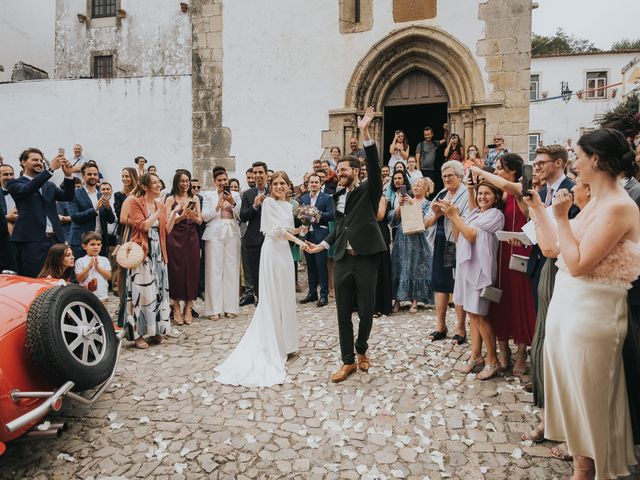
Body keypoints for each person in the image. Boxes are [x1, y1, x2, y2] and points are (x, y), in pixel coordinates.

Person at [528, 129, 640, 480]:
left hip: (594, 317)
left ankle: (592, 472)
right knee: (573, 398)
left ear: (595, 159)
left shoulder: (621, 206)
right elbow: (551, 248)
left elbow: (578, 264)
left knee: (591, 401)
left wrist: (561, 218)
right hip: (567, 311)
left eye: (577, 156)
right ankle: (582, 468)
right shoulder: (594, 204)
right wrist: (537, 208)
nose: (574, 163)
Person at [306, 106, 386, 383]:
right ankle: (347, 361)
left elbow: (375, 169)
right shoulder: (336, 195)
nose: (337, 173)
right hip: (342, 258)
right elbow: (339, 227)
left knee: (365, 312)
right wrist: (323, 246)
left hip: (366, 257)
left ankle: (362, 347)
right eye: (337, 169)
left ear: (355, 170)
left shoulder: (369, 189)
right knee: (342, 314)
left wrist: (365, 131)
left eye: (342, 169)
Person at [215, 171, 308, 387]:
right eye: (275, 183)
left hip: (284, 253)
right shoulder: (268, 204)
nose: (279, 187)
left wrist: (302, 228)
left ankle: (286, 343)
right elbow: (275, 231)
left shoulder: (288, 206)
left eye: (282, 183)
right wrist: (299, 241)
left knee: (286, 295)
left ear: (288, 186)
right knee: (273, 297)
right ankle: (273, 342)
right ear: (270, 186)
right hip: (272, 252)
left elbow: (286, 229)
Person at [470, 154, 537, 376]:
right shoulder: (500, 194)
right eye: (495, 168)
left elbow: (512, 189)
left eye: (500, 168)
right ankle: (502, 349)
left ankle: (520, 352)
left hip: (518, 250)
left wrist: (481, 171)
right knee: (498, 301)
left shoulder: (520, 189)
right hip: (497, 253)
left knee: (518, 301)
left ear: (513, 171)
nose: (496, 172)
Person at [444, 183, 504, 379]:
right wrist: (452, 216)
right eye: (480, 193)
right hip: (466, 268)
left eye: (487, 194)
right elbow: (457, 234)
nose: (482, 197)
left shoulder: (495, 215)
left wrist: (455, 215)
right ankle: (476, 356)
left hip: (481, 270)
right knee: (471, 314)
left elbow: (470, 236)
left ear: (496, 197)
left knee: (481, 315)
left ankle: (492, 361)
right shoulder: (474, 213)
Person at [124, 173, 181, 349]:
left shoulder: (159, 204)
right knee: (141, 294)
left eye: (159, 182)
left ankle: (156, 331)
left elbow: (166, 230)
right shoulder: (135, 202)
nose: (158, 185)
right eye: (154, 182)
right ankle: (137, 334)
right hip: (143, 253)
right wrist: (159, 210)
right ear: (144, 186)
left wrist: (173, 215)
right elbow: (143, 226)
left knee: (158, 292)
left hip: (159, 252)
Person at [6, 148, 75, 277]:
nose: (39, 163)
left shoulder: (49, 185)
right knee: (34, 276)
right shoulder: (14, 183)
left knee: (57, 275)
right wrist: (50, 170)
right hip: (32, 241)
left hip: (54, 239)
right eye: (34, 160)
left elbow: (68, 196)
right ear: (23, 162)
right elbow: (27, 189)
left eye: (41, 160)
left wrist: (68, 176)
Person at [526, 145, 578, 307]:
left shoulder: (573, 191)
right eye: (535, 164)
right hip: (538, 265)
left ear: (558, 163)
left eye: (541, 163)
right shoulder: (540, 194)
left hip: (560, 267)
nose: (537, 168)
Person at [424, 161, 470, 343]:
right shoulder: (441, 194)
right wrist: (435, 215)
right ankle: (440, 325)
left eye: (450, 175)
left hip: (457, 243)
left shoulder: (467, 194)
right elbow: (426, 222)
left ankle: (460, 327)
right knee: (439, 283)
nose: (446, 179)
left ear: (460, 176)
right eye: (444, 176)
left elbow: (468, 219)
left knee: (456, 283)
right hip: (440, 241)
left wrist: (452, 213)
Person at [389, 177, 435, 314]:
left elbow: (426, 220)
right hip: (402, 238)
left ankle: (415, 301)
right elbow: (392, 218)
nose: (415, 188)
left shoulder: (428, 203)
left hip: (418, 239)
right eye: (414, 185)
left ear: (426, 188)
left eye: (419, 185)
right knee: (399, 266)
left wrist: (413, 205)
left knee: (416, 268)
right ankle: (397, 299)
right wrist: (400, 206)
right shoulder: (405, 200)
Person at [202, 167, 241, 319]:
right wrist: (217, 205)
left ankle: (231, 307)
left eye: (225, 180)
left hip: (232, 231)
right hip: (215, 233)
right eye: (219, 180)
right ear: (214, 182)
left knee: (231, 269)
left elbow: (240, 216)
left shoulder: (236, 195)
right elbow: (205, 216)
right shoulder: (208, 195)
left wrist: (233, 203)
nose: (222, 182)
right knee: (214, 269)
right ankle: (214, 309)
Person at [165, 170, 202, 325]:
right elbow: (167, 222)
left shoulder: (195, 199)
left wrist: (192, 216)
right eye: (182, 181)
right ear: (176, 182)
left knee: (192, 271)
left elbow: (200, 220)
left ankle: (188, 307)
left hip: (192, 237)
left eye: (187, 181)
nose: (185, 184)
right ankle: (176, 307)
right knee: (176, 271)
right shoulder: (170, 199)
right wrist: (180, 216)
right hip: (175, 237)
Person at [298, 173, 334, 307]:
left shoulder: (326, 198)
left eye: (315, 182)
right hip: (307, 235)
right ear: (308, 184)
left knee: (321, 266)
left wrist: (316, 214)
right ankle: (312, 293)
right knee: (310, 266)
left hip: (320, 236)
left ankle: (323, 295)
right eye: (311, 182)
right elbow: (300, 216)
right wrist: (303, 216)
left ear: (320, 184)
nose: (313, 184)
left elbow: (331, 215)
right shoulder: (304, 198)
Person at [68, 162, 115, 259]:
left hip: (100, 243)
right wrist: (94, 209)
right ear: (83, 176)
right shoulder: (74, 194)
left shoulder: (100, 195)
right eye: (89, 174)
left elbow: (111, 220)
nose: (93, 176)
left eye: (95, 174)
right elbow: (75, 217)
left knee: (99, 273)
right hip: (81, 243)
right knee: (80, 273)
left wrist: (107, 208)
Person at [239, 161, 269, 306]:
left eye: (260, 173)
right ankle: (259, 299)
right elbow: (243, 216)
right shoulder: (247, 194)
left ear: (266, 174)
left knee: (270, 272)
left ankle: (271, 298)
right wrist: (255, 206)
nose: (257, 176)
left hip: (271, 238)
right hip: (253, 239)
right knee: (256, 273)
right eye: (255, 173)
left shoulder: (274, 191)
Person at [74, 232, 111, 303]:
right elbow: (79, 279)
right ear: (85, 246)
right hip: (86, 297)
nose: (96, 247)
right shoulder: (80, 261)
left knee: (102, 313)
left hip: (102, 296)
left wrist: (98, 267)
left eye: (98, 244)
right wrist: (88, 267)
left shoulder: (104, 260)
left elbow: (109, 276)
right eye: (92, 244)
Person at [415, 124, 449, 192]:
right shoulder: (420, 144)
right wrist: (418, 171)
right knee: (421, 187)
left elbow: (445, 139)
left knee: (430, 188)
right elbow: (417, 158)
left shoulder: (434, 143)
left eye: (429, 134)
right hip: (422, 170)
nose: (427, 136)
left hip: (431, 170)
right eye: (425, 135)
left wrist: (446, 130)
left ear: (432, 134)